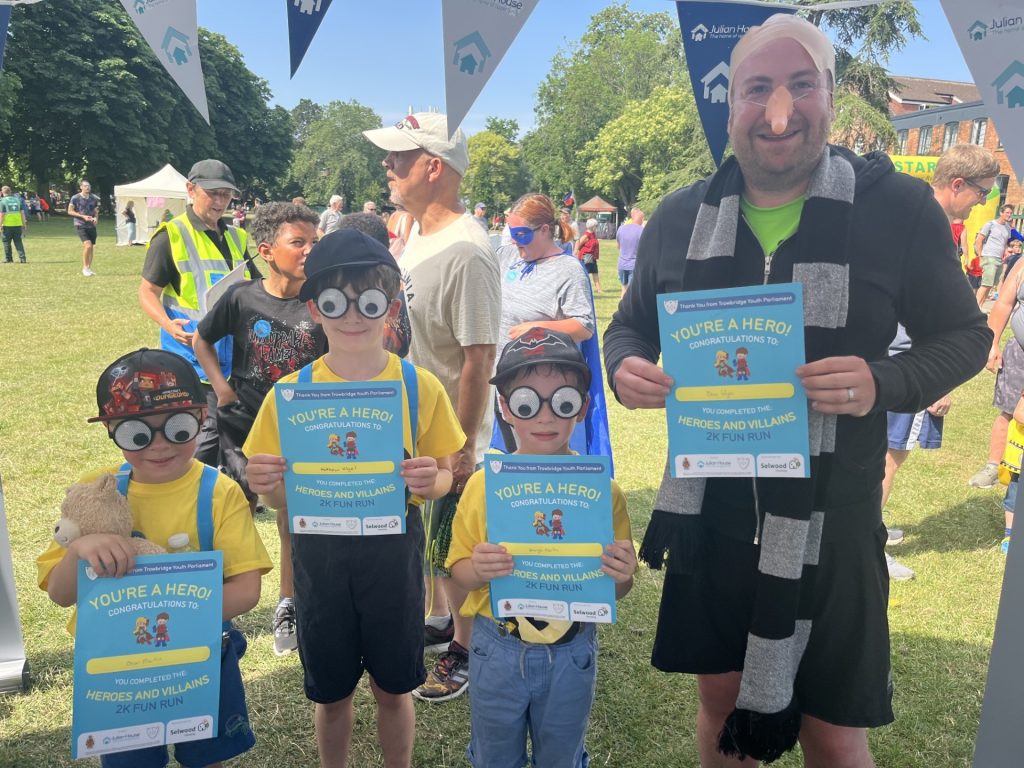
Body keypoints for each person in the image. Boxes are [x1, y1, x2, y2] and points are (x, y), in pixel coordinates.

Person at [602, 15, 990, 767]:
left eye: (800, 84)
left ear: (830, 96)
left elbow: (966, 337)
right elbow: (628, 327)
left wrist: (885, 379)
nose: (779, 110)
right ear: (730, 106)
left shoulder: (897, 209)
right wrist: (624, 368)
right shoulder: (680, 217)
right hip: (709, 512)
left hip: (832, 517)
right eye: (757, 88)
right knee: (719, 706)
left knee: (835, 732)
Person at [243, 229, 465, 768]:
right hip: (320, 556)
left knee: (394, 687)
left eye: (368, 302)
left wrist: (427, 482)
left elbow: (443, 475)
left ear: (389, 307)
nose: (353, 317)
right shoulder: (292, 395)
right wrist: (267, 482)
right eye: (336, 302)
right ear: (316, 309)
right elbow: (278, 500)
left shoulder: (418, 388)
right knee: (332, 692)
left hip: (392, 555)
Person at [37, 348, 272, 768]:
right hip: (118, 667)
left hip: (201, 658)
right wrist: (79, 551)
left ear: (202, 420)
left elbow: (247, 590)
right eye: (137, 434)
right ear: (112, 429)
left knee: (206, 757)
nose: (159, 446)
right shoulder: (96, 490)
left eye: (177, 429)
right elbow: (59, 594)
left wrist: (175, 618)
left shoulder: (220, 493)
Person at [447, 328, 636, 767]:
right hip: (497, 644)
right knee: (495, 757)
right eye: (528, 403)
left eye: (563, 401)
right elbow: (457, 572)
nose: (546, 417)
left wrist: (621, 575)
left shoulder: (603, 493)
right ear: (506, 408)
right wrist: (478, 568)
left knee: (561, 757)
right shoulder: (482, 485)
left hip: (573, 649)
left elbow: (616, 589)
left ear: (583, 408)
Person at [363, 112, 501, 704]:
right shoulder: (418, 233)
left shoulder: (468, 251)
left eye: (398, 156)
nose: (387, 166)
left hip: (449, 429)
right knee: (430, 542)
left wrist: (463, 446)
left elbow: (480, 357)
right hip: (415, 421)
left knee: (452, 545)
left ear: (433, 166)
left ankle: (464, 651)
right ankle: (441, 621)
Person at [192, 201, 324, 656]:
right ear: (267, 250)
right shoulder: (242, 296)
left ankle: (289, 602)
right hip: (247, 423)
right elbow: (201, 338)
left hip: (305, 427)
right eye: (299, 242)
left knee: (291, 516)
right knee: (238, 509)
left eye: (315, 241)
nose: (310, 250)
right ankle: (216, 602)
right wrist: (221, 389)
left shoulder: (323, 299)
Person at [882, 143, 1000, 579]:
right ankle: (869, 543)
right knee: (888, 458)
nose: (982, 204)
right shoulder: (928, 227)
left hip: (886, 360)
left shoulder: (902, 216)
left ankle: (866, 527)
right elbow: (935, 315)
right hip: (907, 365)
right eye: (982, 193)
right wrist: (940, 379)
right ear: (957, 184)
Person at [138, 159, 253, 468]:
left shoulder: (236, 237)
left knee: (232, 429)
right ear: (191, 189)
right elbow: (147, 292)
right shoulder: (171, 236)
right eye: (212, 193)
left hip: (232, 358)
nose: (220, 202)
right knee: (207, 433)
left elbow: (254, 284)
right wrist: (167, 324)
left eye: (226, 195)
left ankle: (230, 489)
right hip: (191, 356)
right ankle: (187, 488)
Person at [493, 192, 596, 451]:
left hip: (544, 393)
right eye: (512, 233)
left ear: (545, 230)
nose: (516, 242)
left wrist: (536, 329)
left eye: (522, 235)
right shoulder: (508, 257)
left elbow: (584, 326)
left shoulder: (567, 270)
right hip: (505, 380)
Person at [975, 204, 1015, 307]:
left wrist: (1007, 251)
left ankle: (980, 307)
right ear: (1001, 213)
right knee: (986, 284)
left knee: (990, 285)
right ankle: (973, 308)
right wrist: (980, 257)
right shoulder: (990, 224)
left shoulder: (1007, 227)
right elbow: (979, 240)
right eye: (1007, 212)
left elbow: (1005, 243)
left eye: (1010, 213)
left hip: (999, 259)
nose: (1009, 215)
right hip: (989, 256)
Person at [69, 179, 100, 277]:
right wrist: (83, 216)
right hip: (80, 224)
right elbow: (70, 211)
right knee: (88, 246)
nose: (88, 187)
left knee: (91, 248)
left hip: (91, 226)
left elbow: (96, 211)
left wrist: (96, 218)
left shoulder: (94, 198)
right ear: (81, 187)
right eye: (85, 186)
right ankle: (85, 268)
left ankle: (88, 268)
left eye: (89, 186)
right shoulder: (75, 198)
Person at [616, 207, 644, 298]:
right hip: (634, 264)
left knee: (624, 288)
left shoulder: (621, 229)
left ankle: (621, 308)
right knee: (632, 292)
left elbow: (618, 247)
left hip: (622, 264)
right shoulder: (642, 231)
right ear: (641, 219)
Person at [1, 185, 28, 264]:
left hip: (7, 225)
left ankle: (8, 259)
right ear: (10, 192)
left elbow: (2, 215)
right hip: (17, 224)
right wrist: (24, 224)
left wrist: (0, 225)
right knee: (18, 242)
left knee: (6, 242)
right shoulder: (17, 200)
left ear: (2, 192)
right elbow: (22, 213)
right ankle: (23, 258)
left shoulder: (2, 201)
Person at [575, 218, 602, 294]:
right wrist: (577, 252)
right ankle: (581, 289)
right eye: (596, 226)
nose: (596, 227)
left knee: (595, 273)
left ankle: (599, 290)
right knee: (584, 274)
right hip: (586, 257)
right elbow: (578, 245)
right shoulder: (586, 236)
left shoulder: (593, 234)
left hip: (592, 257)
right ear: (592, 226)